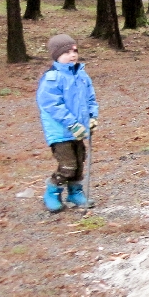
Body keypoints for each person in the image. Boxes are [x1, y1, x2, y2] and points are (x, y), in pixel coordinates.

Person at [36, 34, 100, 212]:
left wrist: (92, 117)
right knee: (68, 165)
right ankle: (52, 192)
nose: (72, 55)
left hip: (79, 130)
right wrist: (72, 124)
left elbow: (90, 98)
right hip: (61, 132)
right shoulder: (52, 78)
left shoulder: (81, 75)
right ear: (56, 55)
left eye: (75, 51)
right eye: (66, 52)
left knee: (79, 162)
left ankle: (75, 192)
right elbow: (51, 105)